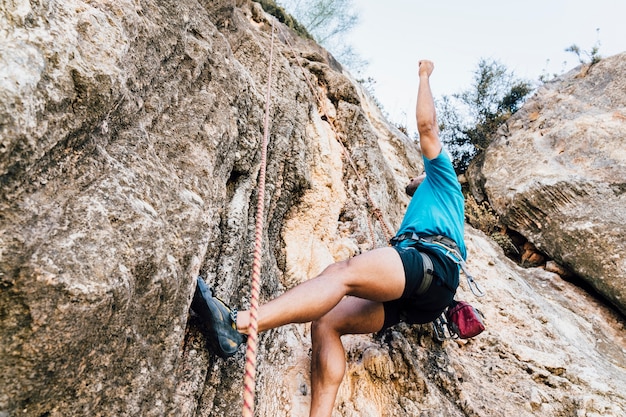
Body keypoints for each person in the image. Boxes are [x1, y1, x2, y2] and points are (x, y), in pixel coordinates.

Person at [193, 60, 466, 417]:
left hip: (431, 264)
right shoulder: (433, 207)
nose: (415, 177)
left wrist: (424, 74)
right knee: (326, 322)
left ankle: (237, 325)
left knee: (342, 273)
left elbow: (427, 128)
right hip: (426, 291)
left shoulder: (442, 177)